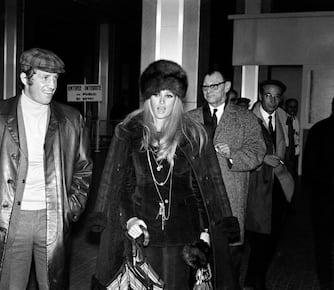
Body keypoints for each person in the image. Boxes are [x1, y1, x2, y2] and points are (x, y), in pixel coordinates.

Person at [91, 60, 240, 289]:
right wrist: (129, 218)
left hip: (183, 237)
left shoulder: (193, 134)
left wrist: (204, 232)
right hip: (142, 234)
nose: (161, 102)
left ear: (178, 99)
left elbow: (202, 190)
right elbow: (120, 185)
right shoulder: (129, 131)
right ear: (147, 96)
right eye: (156, 94)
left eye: (169, 96)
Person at [0, 47, 93, 290]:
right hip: (12, 218)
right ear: (25, 79)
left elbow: (84, 168)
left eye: (55, 78)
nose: (52, 85)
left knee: (53, 284)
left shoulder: (71, 119)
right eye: (45, 77)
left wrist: (70, 209)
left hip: (54, 217)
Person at [188, 67, 266, 285]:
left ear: (227, 87)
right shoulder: (191, 118)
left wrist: (232, 156)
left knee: (229, 264)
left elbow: (258, 152)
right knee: (199, 259)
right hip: (198, 201)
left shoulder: (245, 118)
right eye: (205, 86)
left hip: (230, 201)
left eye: (214, 85)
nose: (208, 90)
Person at [245, 79, 295, 290]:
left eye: (276, 96)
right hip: (256, 185)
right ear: (260, 95)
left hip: (279, 184)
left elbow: (289, 149)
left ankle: (256, 277)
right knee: (258, 236)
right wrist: (262, 158)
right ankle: (254, 280)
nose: (272, 100)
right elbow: (240, 149)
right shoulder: (247, 118)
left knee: (274, 235)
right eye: (268, 95)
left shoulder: (285, 117)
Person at [302, 98, 334, 290]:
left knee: (322, 240)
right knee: (323, 239)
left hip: (322, 195)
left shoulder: (318, 129)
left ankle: (325, 279)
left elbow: (308, 168)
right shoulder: (319, 130)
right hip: (324, 194)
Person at [284, 98, 300, 179]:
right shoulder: (283, 119)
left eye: (295, 107)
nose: (293, 109)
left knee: (293, 172)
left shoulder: (295, 119)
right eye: (290, 107)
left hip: (295, 151)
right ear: (285, 107)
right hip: (286, 151)